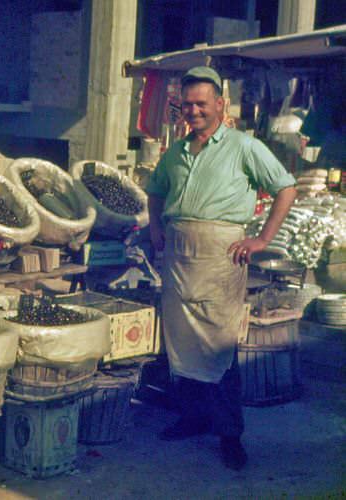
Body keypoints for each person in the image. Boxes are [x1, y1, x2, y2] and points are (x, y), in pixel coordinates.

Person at [146, 66, 296, 470]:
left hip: (222, 258)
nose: (193, 111)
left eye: (201, 103)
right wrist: (156, 226)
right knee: (181, 345)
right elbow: (156, 191)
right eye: (187, 104)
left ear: (219, 105)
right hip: (178, 259)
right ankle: (193, 418)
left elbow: (286, 187)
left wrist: (262, 239)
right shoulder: (175, 152)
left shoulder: (244, 146)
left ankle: (230, 435)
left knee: (220, 348)